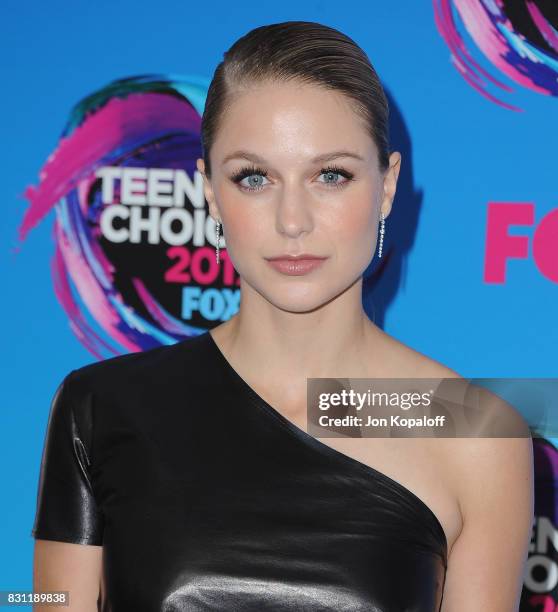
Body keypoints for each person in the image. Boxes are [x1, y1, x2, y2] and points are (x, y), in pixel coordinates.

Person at [31, 20, 534, 612]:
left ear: (388, 186)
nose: (292, 220)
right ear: (211, 193)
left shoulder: (473, 429)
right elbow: (49, 601)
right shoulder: (102, 406)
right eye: (254, 177)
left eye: (331, 175)